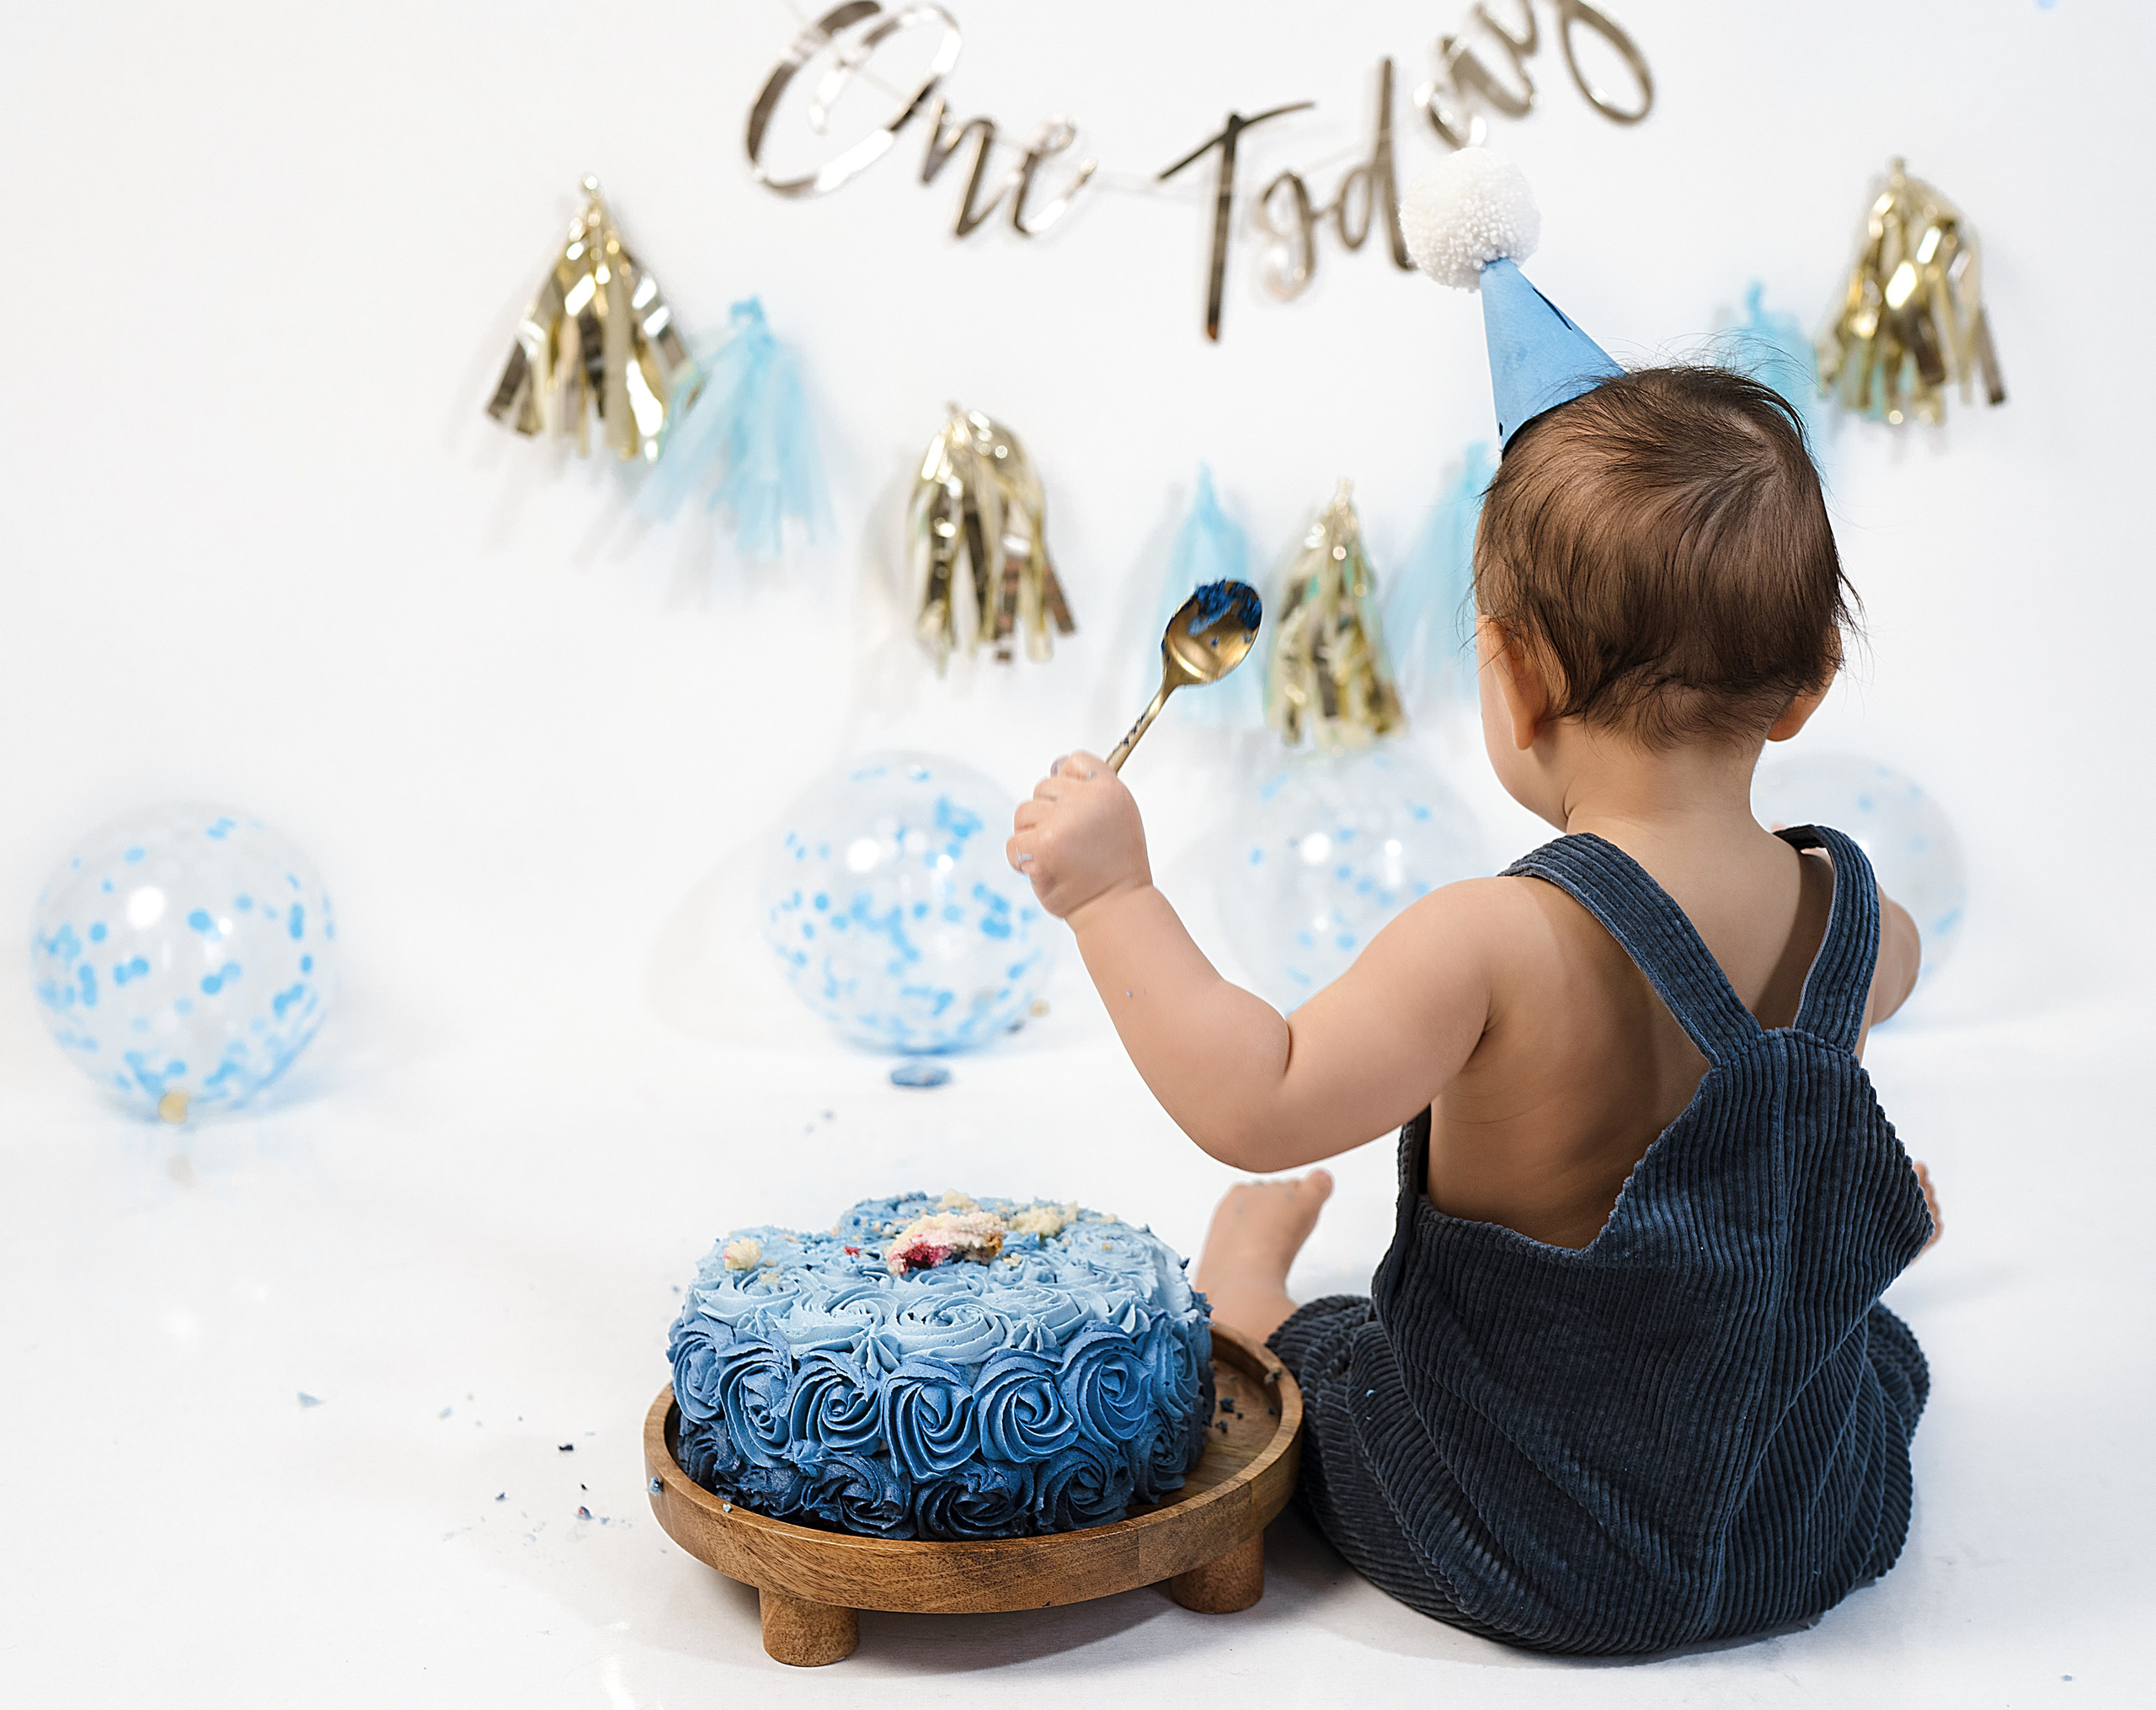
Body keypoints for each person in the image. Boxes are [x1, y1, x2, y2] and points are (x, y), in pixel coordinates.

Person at [1004, 362, 1942, 1654]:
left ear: (1515, 679)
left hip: (1528, 1538)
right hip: (1799, 1514)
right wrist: (1809, 1173)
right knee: (1869, 1345)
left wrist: (1111, 896)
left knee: (1333, 1366)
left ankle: (1244, 1294)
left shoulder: (1495, 942)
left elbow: (1260, 1098)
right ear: (1807, 683)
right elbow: (1893, 966)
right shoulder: (1848, 909)